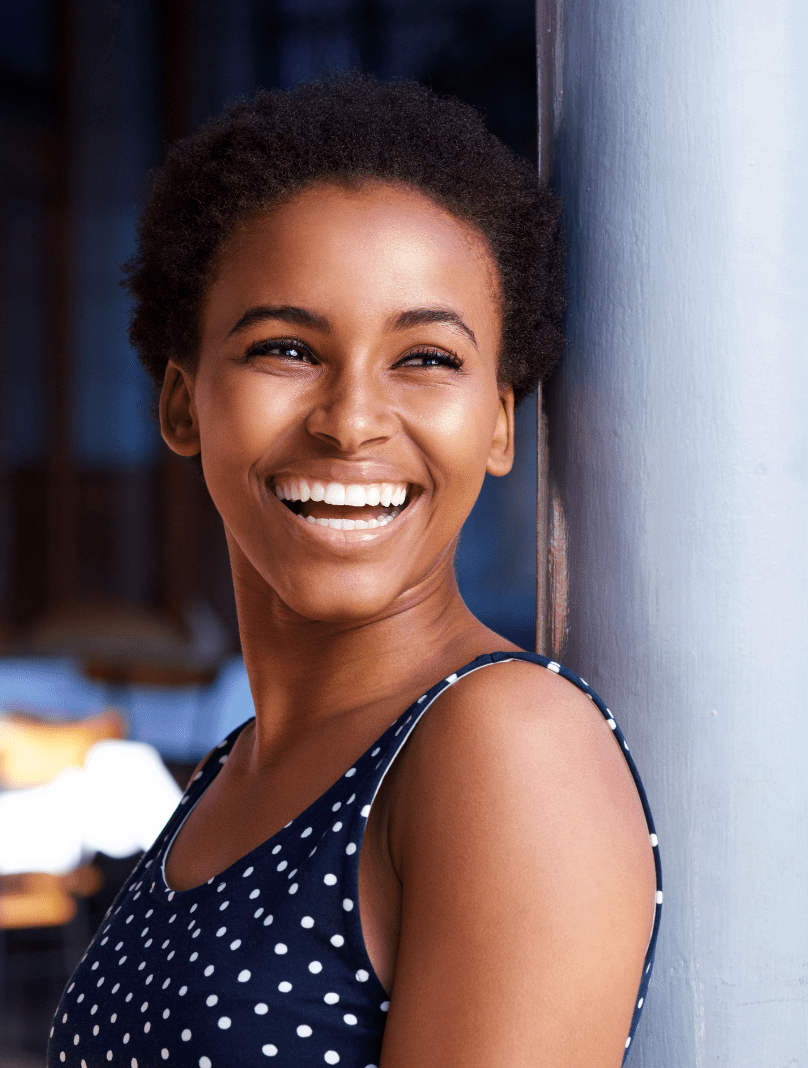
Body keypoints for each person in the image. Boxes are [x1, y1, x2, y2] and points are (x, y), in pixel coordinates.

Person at [47, 75, 660, 1068]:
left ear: (500, 422)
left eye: (424, 359)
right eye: (284, 348)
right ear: (181, 403)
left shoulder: (505, 744)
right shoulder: (233, 770)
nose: (350, 420)